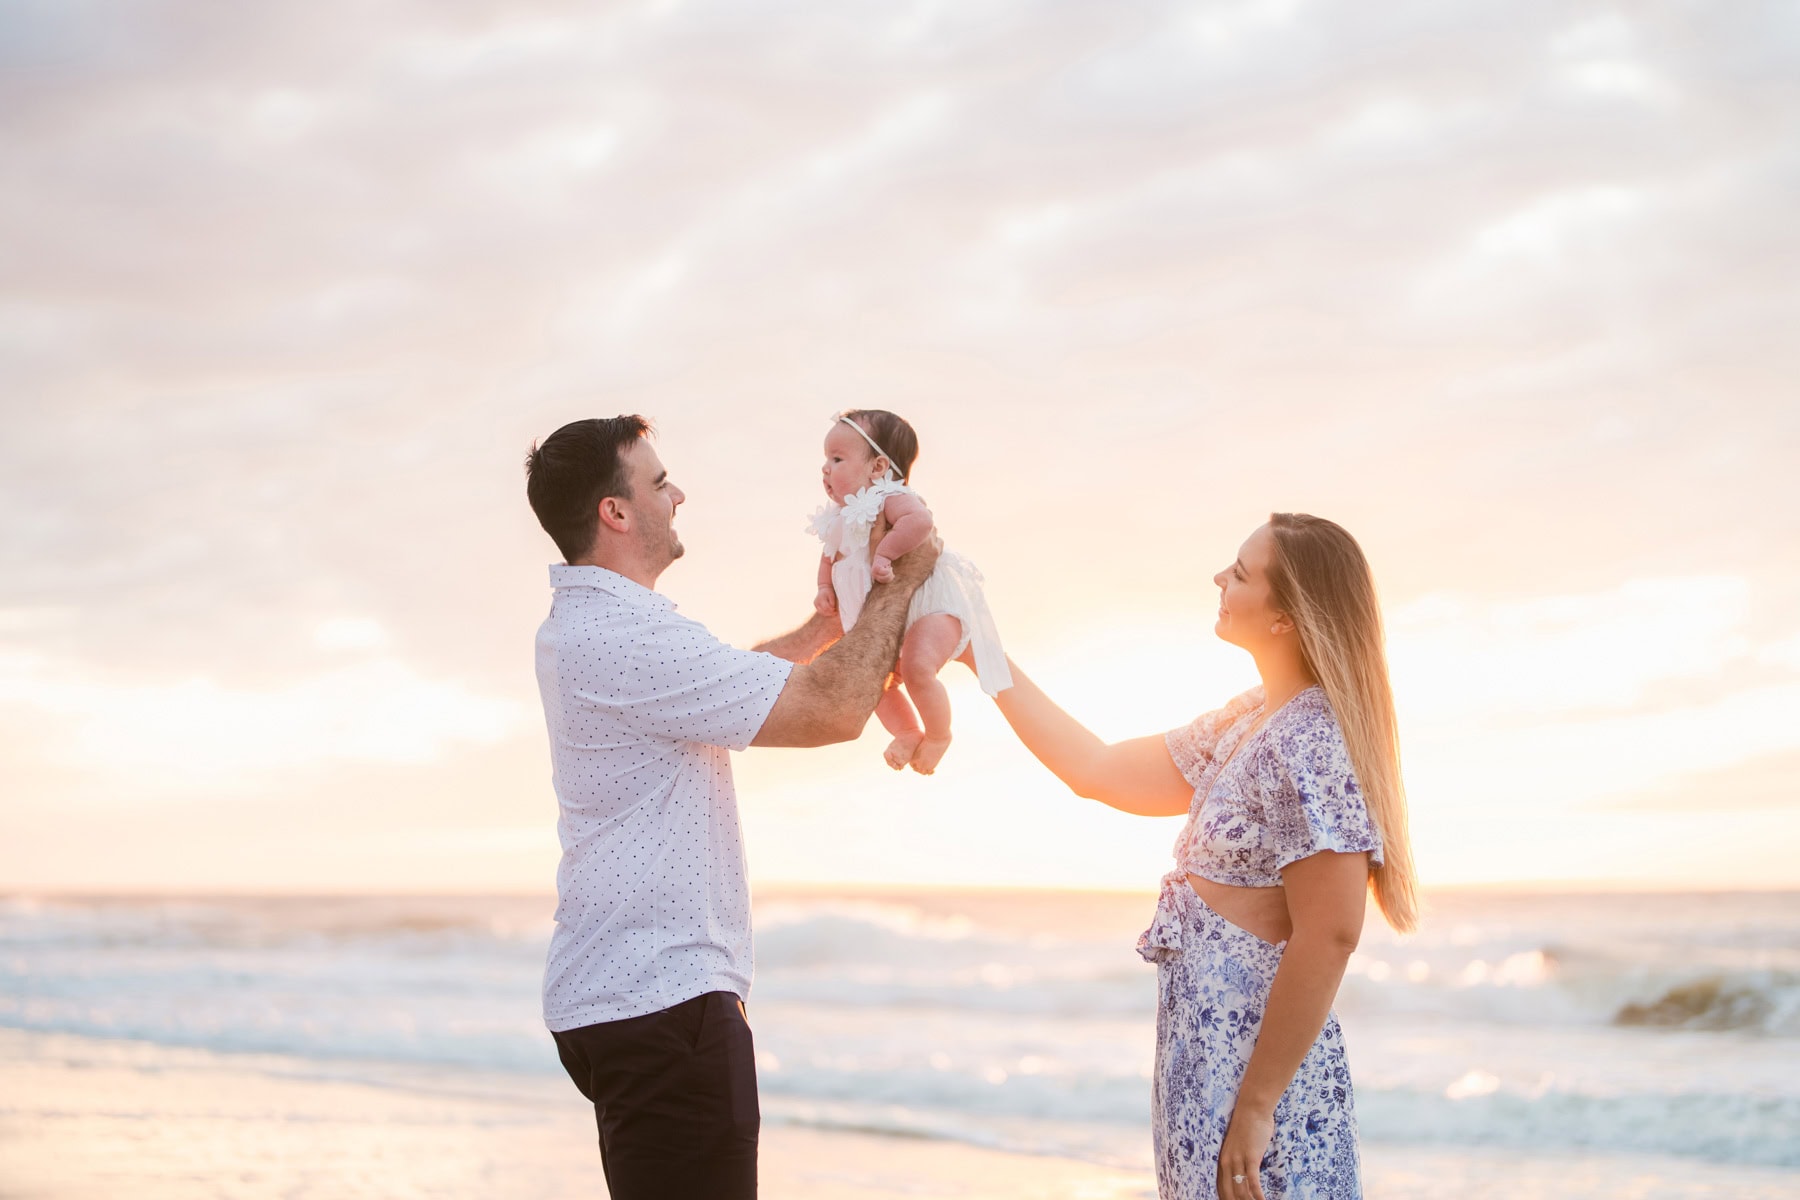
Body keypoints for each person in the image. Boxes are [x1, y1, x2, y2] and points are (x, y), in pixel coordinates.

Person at [523, 415, 939, 1200]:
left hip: (629, 992)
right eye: (656, 481)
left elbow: (725, 684)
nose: (677, 493)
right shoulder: (618, 635)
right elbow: (831, 711)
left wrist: (824, 627)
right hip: (662, 1001)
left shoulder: (602, 624)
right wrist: (909, 572)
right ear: (615, 513)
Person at [989, 513, 1419, 1200]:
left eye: (1243, 573)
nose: (1220, 577)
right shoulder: (1248, 720)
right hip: (1204, 1066)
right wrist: (983, 653)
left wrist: (1257, 1107)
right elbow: (1098, 769)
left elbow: (1331, 932)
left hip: (1257, 1081)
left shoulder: (1312, 739)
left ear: (1286, 617)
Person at [809, 409, 1010, 774]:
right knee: (873, 684)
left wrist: (885, 552)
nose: (825, 468)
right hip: (880, 624)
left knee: (918, 669)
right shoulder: (838, 521)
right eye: (825, 459)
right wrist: (824, 587)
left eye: (837, 459)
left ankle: (938, 734)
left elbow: (921, 521)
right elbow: (828, 559)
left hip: (927, 607)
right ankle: (906, 731)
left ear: (878, 467)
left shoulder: (886, 499)